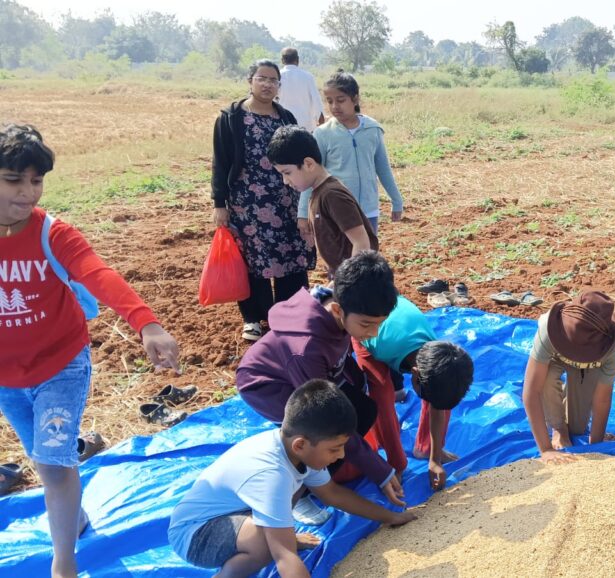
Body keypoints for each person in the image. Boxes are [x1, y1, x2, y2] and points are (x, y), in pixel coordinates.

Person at [0, 124, 180, 578]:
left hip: (60, 367)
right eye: (14, 180)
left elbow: (97, 273)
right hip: (6, 378)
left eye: (36, 181)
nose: (28, 193)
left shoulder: (52, 234)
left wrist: (147, 324)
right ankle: (73, 518)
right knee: (44, 460)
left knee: (53, 463)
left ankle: (64, 563)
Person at [169, 379, 416, 577]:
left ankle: (274, 532)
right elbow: (285, 557)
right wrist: (284, 544)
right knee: (266, 547)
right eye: (335, 449)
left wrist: (390, 516)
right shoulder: (272, 475)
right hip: (195, 535)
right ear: (300, 444)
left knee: (289, 502)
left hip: (236, 512)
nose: (341, 455)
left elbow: (332, 494)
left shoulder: (299, 451)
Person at [236, 251, 405, 524]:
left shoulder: (337, 309)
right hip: (268, 385)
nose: (373, 333)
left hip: (309, 376)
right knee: (314, 433)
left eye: (379, 324)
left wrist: (358, 383)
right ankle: (299, 492)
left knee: (362, 409)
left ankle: (326, 468)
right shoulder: (306, 349)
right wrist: (381, 472)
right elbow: (324, 416)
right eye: (367, 325)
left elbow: (342, 355)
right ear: (338, 310)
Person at [211, 59, 316, 342]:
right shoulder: (231, 118)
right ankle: (254, 319)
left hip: (286, 200)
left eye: (273, 80)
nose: (268, 84)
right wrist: (219, 203)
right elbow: (220, 162)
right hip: (247, 204)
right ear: (250, 81)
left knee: (290, 257)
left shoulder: (285, 117)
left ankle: (290, 314)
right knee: (253, 260)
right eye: (262, 78)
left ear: (279, 86)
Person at [354, 295, 474, 490]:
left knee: (442, 392)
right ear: (415, 374)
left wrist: (435, 459)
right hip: (367, 332)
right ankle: (395, 463)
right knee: (381, 396)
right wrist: (396, 465)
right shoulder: (381, 346)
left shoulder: (438, 355)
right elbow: (382, 408)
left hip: (399, 322)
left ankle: (426, 448)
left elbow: (437, 403)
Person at [521, 290, 615, 465]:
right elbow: (532, 391)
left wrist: (596, 445)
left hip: (589, 367)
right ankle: (558, 429)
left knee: (577, 429)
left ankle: (570, 423)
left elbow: (602, 399)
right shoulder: (548, 330)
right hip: (555, 360)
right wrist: (546, 449)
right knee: (545, 378)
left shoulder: (613, 348)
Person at [297, 71, 404, 237]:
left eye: (340, 100)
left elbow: (383, 169)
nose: (334, 106)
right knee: (338, 253)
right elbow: (311, 174)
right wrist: (303, 213)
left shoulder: (372, 129)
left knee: (367, 252)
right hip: (335, 210)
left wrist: (396, 200)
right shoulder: (323, 134)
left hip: (368, 210)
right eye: (329, 101)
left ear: (355, 99)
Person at [266, 125, 376, 275]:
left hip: (358, 279)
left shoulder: (332, 195)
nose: (285, 181)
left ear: (308, 164)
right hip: (343, 276)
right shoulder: (318, 192)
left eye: (287, 173)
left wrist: (346, 281)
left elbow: (361, 243)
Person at [277, 47, 325, 132]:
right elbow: (316, 99)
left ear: (282, 60)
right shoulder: (308, 76)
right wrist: (321, 120)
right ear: (298, 59)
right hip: (306, 124)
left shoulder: (277, 76)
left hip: (284, 123)